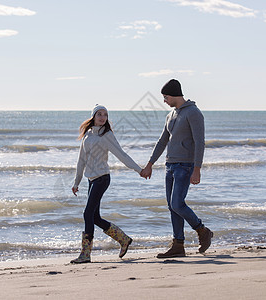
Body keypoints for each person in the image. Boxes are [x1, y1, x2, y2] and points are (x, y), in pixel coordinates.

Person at [140, 79, 213, 258]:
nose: (164, 100)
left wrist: (197, 168)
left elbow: (199, 142)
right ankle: (178, 245)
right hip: (170, 165)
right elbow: (162, 141)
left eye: (165, 97)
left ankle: (202, 230)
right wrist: (150, 164)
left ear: (173, 95)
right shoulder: (171, 115)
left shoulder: (193, 113)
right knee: (172, 207)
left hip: (185, 166)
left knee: (177, 204)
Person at [71, 104, 143, 264]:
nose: (103, 117)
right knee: (94, 217)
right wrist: (77, 182)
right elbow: (81, 161)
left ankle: (85, 254)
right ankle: (123, 239)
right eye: (99, 114)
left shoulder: (107, 135)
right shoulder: (87, 135)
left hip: (102, 178)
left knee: (87, 214)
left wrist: (139, 170)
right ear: (94, 117)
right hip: (91, 179)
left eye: (105, 115)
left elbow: (122, 155)